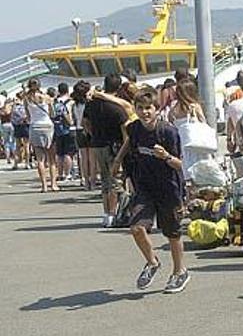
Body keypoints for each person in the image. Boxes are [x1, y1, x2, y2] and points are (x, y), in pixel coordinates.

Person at [111, 86, 189, 294]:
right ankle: (153, 262)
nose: (145, 112)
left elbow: (181, 165)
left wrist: (166, 156)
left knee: (172, 233)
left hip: (169, 188)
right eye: (141, 108)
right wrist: (118, 160)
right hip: (144, 187)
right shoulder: (134, 128)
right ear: (135, 109)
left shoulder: (168, 131)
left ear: (157, 109)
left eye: (149, 108)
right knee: (136, 228)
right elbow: (130, 142)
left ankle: (180, 272)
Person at [83, 73, 129, 227]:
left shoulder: (92, 103)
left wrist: (93, 134)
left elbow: (85, 123)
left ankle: (106, 213)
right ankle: (114, 214)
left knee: (105, 180)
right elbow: (125, 132)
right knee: (116, 181)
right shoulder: (117, 107)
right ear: (119, 87)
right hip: (114, 145)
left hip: (98, 144)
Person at [166, 77, 208, 180]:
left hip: (183, 146)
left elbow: (172, 126)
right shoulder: (194, 107)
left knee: (188, 174)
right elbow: (204, 124)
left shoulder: (173, 111)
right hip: (198, 145)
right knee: (204, 173)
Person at [23, 78, 58, 192]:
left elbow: (28, 117)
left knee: (40, 159)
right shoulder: (46, 97)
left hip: (34, 127)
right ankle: (53, 184)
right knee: (52, 158)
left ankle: (44, 186)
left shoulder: (26, 99)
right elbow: (52, 113)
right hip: (47, 126)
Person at [71, 81, 97, 190]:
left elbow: (74, 118)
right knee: (92, 158)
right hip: (89, 130)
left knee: (83, 158)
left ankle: (86, 181)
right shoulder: (90, 103)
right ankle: (93, 182)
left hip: (78, 131)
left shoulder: (75, 105)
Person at [52, 82, 76, 184]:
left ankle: (60, 173)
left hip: (57, 129)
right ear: (67, 90)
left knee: (59, 153)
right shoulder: (71, 102)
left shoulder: (55, 102)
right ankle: (68, 174)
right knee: (68, 153)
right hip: (68, 129)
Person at [11, 92, 31, 170]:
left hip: (17, 126)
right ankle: (27, 163)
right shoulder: (26, 104)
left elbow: (12, 117)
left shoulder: (15, 106)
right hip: (25, 125)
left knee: (18, 146)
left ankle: (16, 163)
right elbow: (28, 115)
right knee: (27, 146)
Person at [1, 98, 15, 165]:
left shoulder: (2, 109)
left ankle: (8, 158)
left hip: (4, 125)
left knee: (6, 142)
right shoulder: (11, 109)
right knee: (13, 141)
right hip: (11, 124)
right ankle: (15, 156)